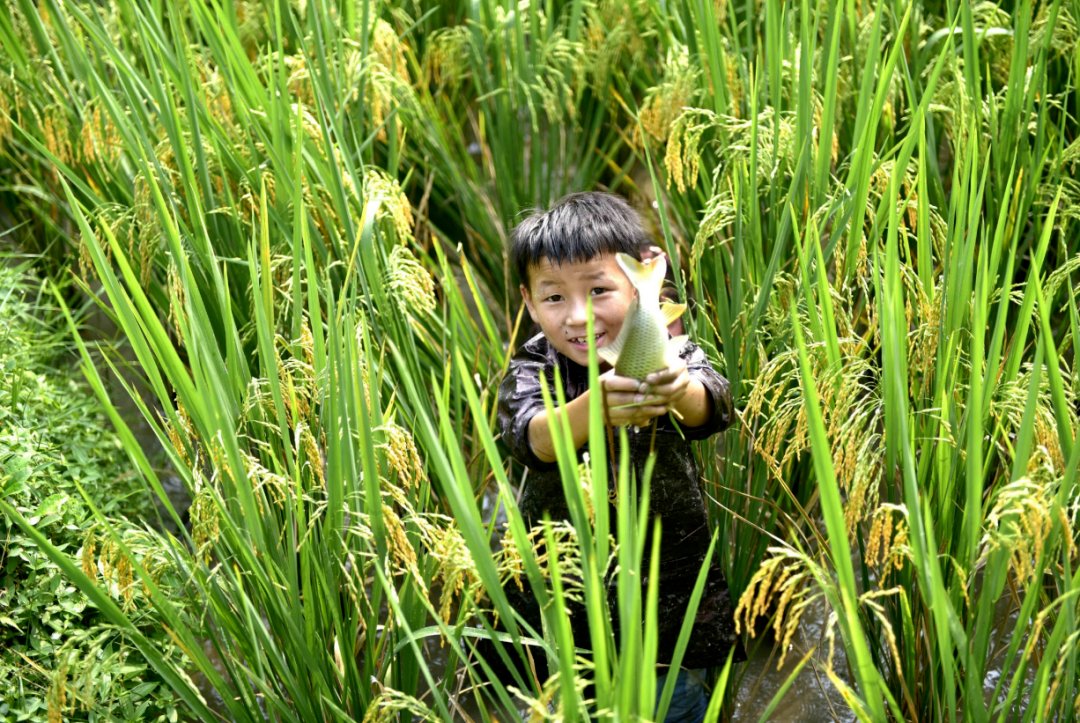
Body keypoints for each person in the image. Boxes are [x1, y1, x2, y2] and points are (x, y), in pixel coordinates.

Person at [496, 192, 745, 723]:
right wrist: (594, 407)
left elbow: (714, 406)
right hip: (567, 625)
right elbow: (529, 438)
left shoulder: (665, 350)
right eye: (554, 298)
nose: (578, 317)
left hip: (673, 617)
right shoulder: (530, 370)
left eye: (600, 289)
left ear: (639, 283)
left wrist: (679, 391)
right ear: (528, 302)